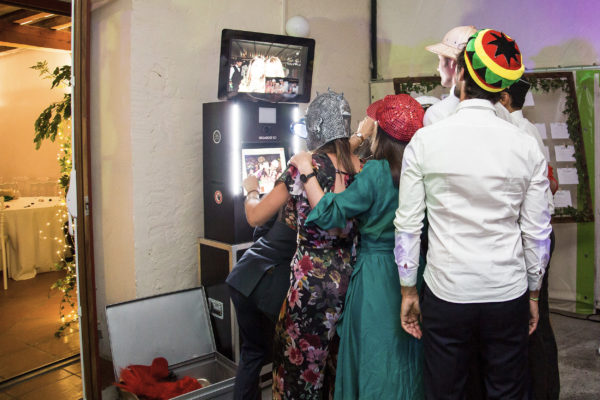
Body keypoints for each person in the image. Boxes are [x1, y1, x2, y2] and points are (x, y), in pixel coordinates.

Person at [394, 29, 552, 399]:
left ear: (462, 75)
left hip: (447, 291)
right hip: (507, 291)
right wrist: (533, 293)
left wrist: (407, 290)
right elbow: (537, 233)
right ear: (502, 89)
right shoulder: (525, 145)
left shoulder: (426, 140)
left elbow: (408, 226)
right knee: (507, 391)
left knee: (446, 391)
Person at [291, 94, 426, 399]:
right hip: (414, 269)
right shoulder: (422, 169)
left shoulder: (376, 172)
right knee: (407, 356)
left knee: (375, 356)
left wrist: (307, 168)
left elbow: (329, 214)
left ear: (382, 131)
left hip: (376, 276)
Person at [243, 89, 363, 399]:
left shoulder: (305, 165)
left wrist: (251, 191)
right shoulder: (360, 167)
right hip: (349, 280)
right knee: (335, 369)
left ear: (315, 127)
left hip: (310, 287)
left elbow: (256, 217)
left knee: (298, 372)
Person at [500, 79, 560, 400]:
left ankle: (539, 391)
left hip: (530, 236)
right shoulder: (530, 131)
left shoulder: (514, 134)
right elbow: (552, 183)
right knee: (538, 323)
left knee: (531, 324)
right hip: (541, 232)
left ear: (505, 98)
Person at [226, 207, 297, 400]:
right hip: (273, 288)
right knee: (286, 356)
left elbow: (260, 229)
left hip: (244, 275)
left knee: (252, 353)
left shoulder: (286, 189)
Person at [423, 25, 477, 126]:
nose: (438, 68)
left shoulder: (437, 114)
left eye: (440, 60)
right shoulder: (500, 111)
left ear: (452, 63)